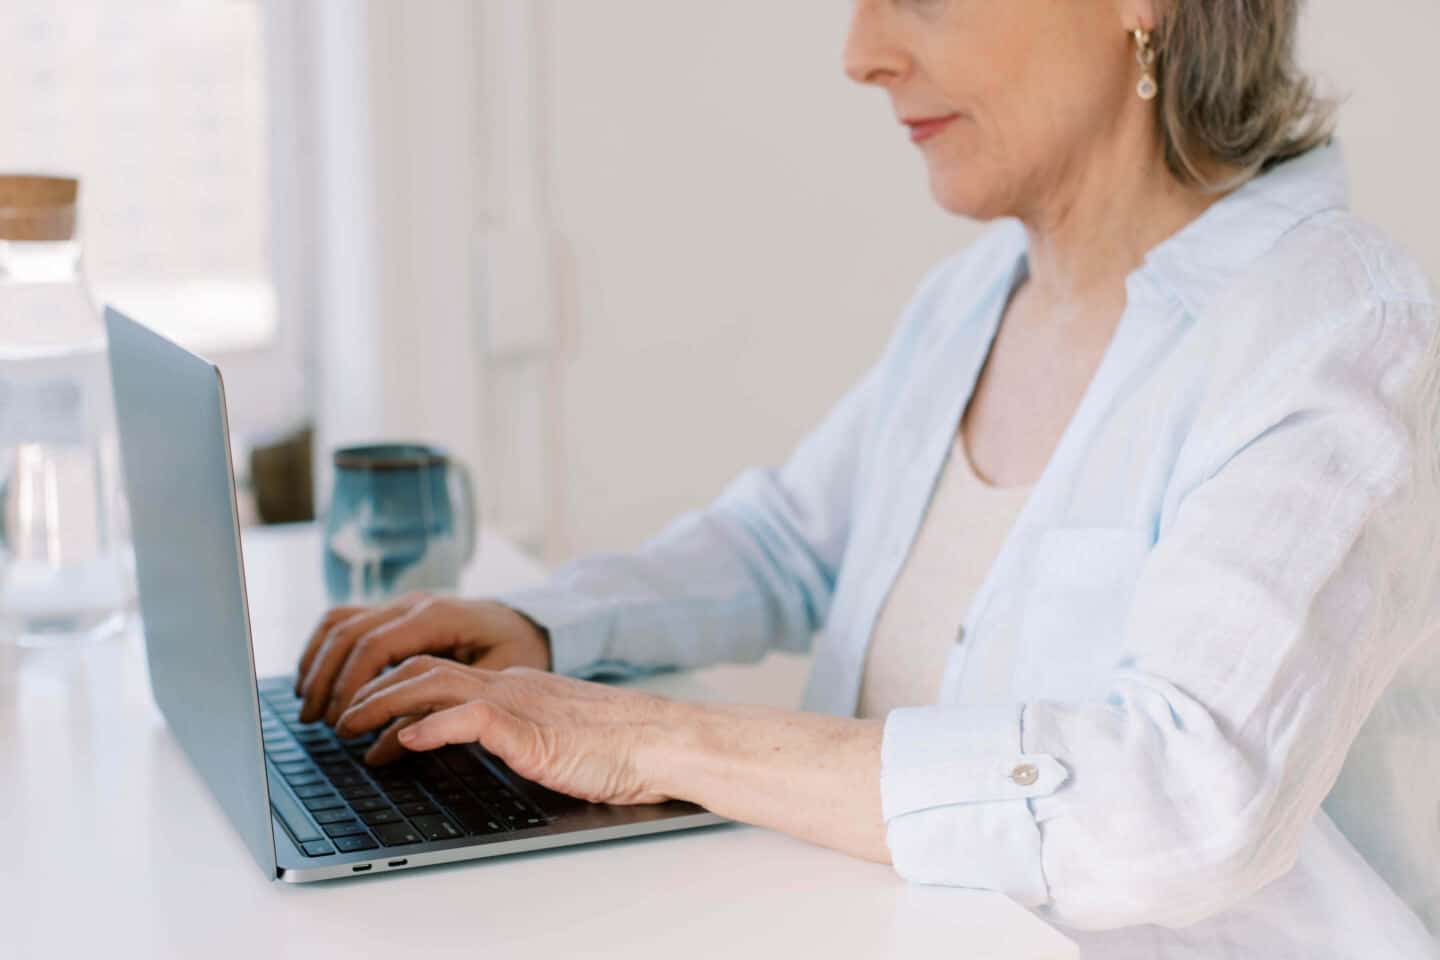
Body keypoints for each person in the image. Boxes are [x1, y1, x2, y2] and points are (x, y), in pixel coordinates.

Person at [293, 1, 1440, 955]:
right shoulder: (979, 294)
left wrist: (650, 739)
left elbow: (1181, 802)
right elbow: (790, 543)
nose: (862, 52)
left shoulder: (1331, 327)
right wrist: (539, 625)